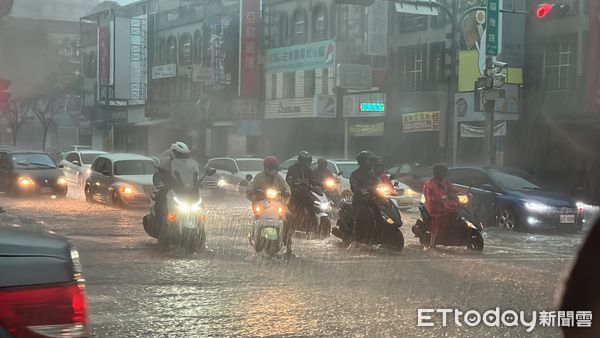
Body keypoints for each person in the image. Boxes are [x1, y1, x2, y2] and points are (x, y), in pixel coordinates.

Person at [422, 163, 464, 248]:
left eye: (444, 172)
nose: (443, 174)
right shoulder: (430, 183)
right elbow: (432, 196)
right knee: (437, 220)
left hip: (445, 204)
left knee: (458, 211)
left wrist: (463, 192)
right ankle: (432, 243)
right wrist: (444, 197)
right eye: (442, 172)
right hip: (434, 206)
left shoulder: (444, 182)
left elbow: (453, 188)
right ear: (436, 173)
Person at [153, 142, 191, 223]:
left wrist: (199, 182)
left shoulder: (189, 165)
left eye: (185, 155)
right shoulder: (165, 163)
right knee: (161, 199)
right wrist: (161, 184)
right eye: (180, 155)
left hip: (183, 190)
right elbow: (157, 176)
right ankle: (160, 220)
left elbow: (195, 174)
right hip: (169, 189)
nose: (183, 157)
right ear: (173, 153)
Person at [349, 151, 379, 249]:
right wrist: (362, 190)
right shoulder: (355, 174)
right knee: (362, 215)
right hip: (359, 201)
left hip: (372, 200)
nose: (371, 163)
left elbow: (378, 184)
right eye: (369, 161)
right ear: (362, 161)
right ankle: (355, 240)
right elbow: (354, 186)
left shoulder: (372, 174)